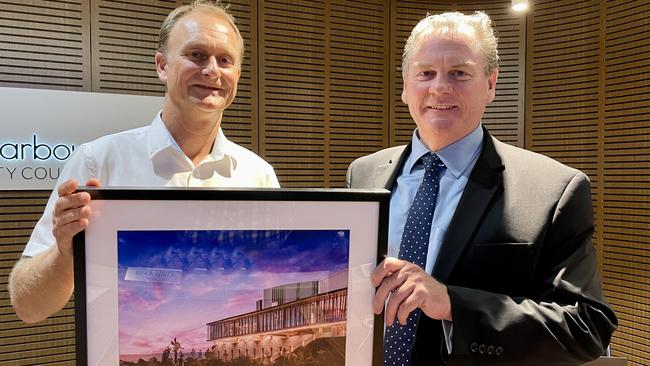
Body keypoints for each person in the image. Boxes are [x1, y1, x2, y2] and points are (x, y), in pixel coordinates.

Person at [346, 11, 617, 366]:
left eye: (459, 73)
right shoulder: (363, 174)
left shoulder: (554, 189)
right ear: (405, 86)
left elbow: (587, 326)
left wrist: (453, 305)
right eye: (426, 73)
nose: (440, 87)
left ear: (490, 84)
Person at [8, 0, 279, 324]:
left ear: (236, 74)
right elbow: (28, 307)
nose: (211, 70)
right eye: (196, 55)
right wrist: (64, 252)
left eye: (224, 60)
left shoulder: (259, 175)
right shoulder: (98, 162)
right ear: (162, 65)